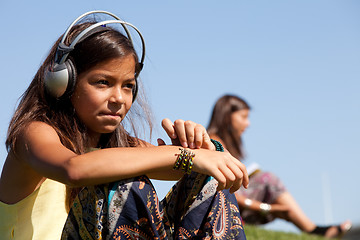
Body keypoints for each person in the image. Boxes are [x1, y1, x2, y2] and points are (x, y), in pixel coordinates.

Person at [0, 11, 249, 239]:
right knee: (124, 183)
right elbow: (73, 169)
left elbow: (180, 167)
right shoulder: (32, 133)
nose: (119, 98)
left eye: (128, 86)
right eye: (102, 82)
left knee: (209, 175)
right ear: (63, 82)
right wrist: (183, 156)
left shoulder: (117, 145)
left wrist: (201, 148)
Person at [207, 94, 352, 238]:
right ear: (227, 116)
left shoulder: (223, 143)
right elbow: (222, 189)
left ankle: (314, 229)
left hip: (232, 202)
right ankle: (314, 230)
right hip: (221, 204)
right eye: (244, 117)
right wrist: (266, 208)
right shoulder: (214, 143)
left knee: (267, 180)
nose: (248, 123)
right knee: (268, 179)